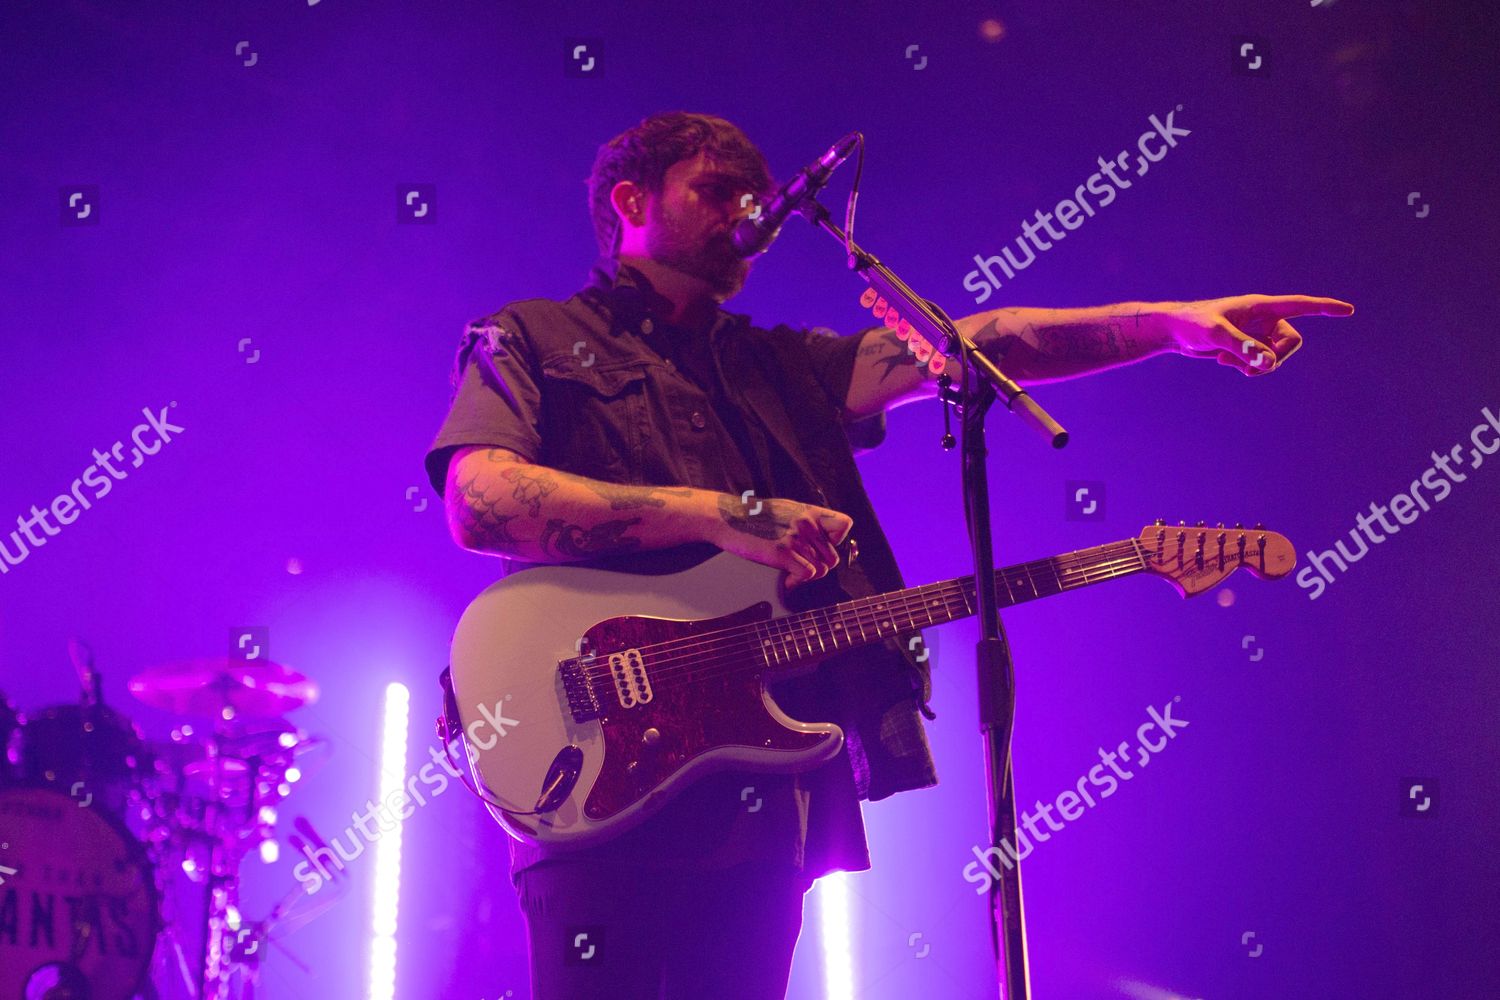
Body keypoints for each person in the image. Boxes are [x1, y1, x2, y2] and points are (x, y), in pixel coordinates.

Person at [423, 111, 1353, 999]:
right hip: (591, 766)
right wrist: (719, 515)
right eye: (713, 190)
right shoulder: (538, 338)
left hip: (760, 786)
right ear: (631, 202)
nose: (747, 211)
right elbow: (482, 500)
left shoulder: (782, 368)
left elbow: (979, 347)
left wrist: (1168, 322)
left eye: (755, 196)